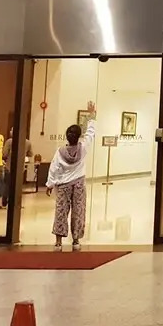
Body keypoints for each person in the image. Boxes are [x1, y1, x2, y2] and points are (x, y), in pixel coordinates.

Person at [45, 101, 95, 251]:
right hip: (79, 184)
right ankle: (76, 240)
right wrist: (92, 115)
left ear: (67, 137)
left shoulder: (60, 152)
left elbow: (54, 168)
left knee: (61, 211)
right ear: (78, 137)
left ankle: (58, 242)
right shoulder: (83, 148)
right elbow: (90, 134)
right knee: (78, 211)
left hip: (63, 186)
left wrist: (50, 184)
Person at [2, 127, 32, 209]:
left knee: (7, 185)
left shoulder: (9, 141)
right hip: (20, 168)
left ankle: (4, 202)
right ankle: (17, 203)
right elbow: (30, 154)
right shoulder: (27, 142)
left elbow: (4, 153)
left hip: (9, 166)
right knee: (18, 186)